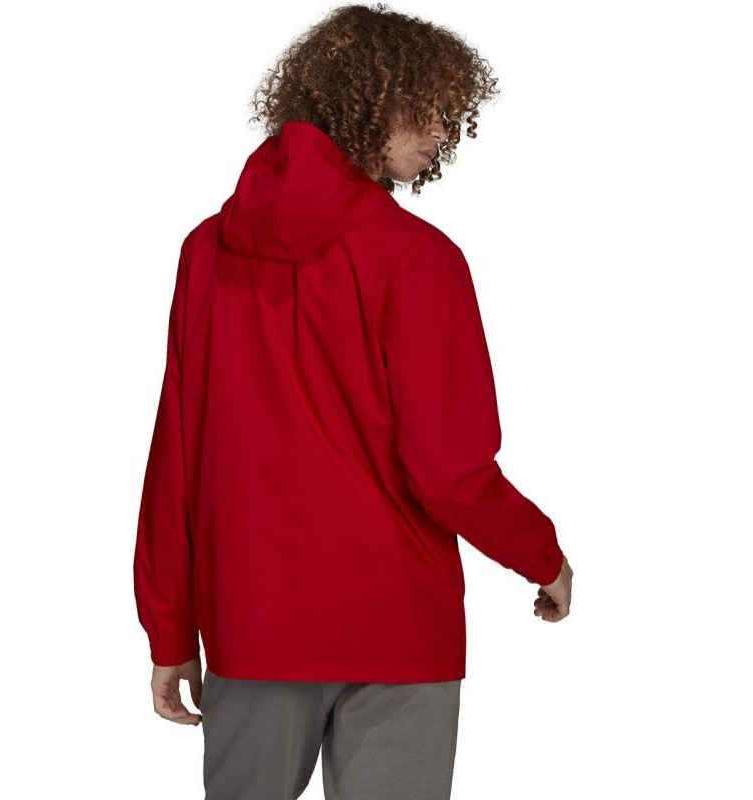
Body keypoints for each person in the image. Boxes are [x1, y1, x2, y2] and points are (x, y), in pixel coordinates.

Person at [133, 4, 573, 798]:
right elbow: (449, 470)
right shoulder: (418, 259)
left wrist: (169, 628)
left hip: (252, 621)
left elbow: (179, 456)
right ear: (361, 102)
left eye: (447, 112)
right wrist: (542, 553)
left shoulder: (207, 252)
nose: (440, 131)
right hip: (398, 623)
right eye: (424, 106)